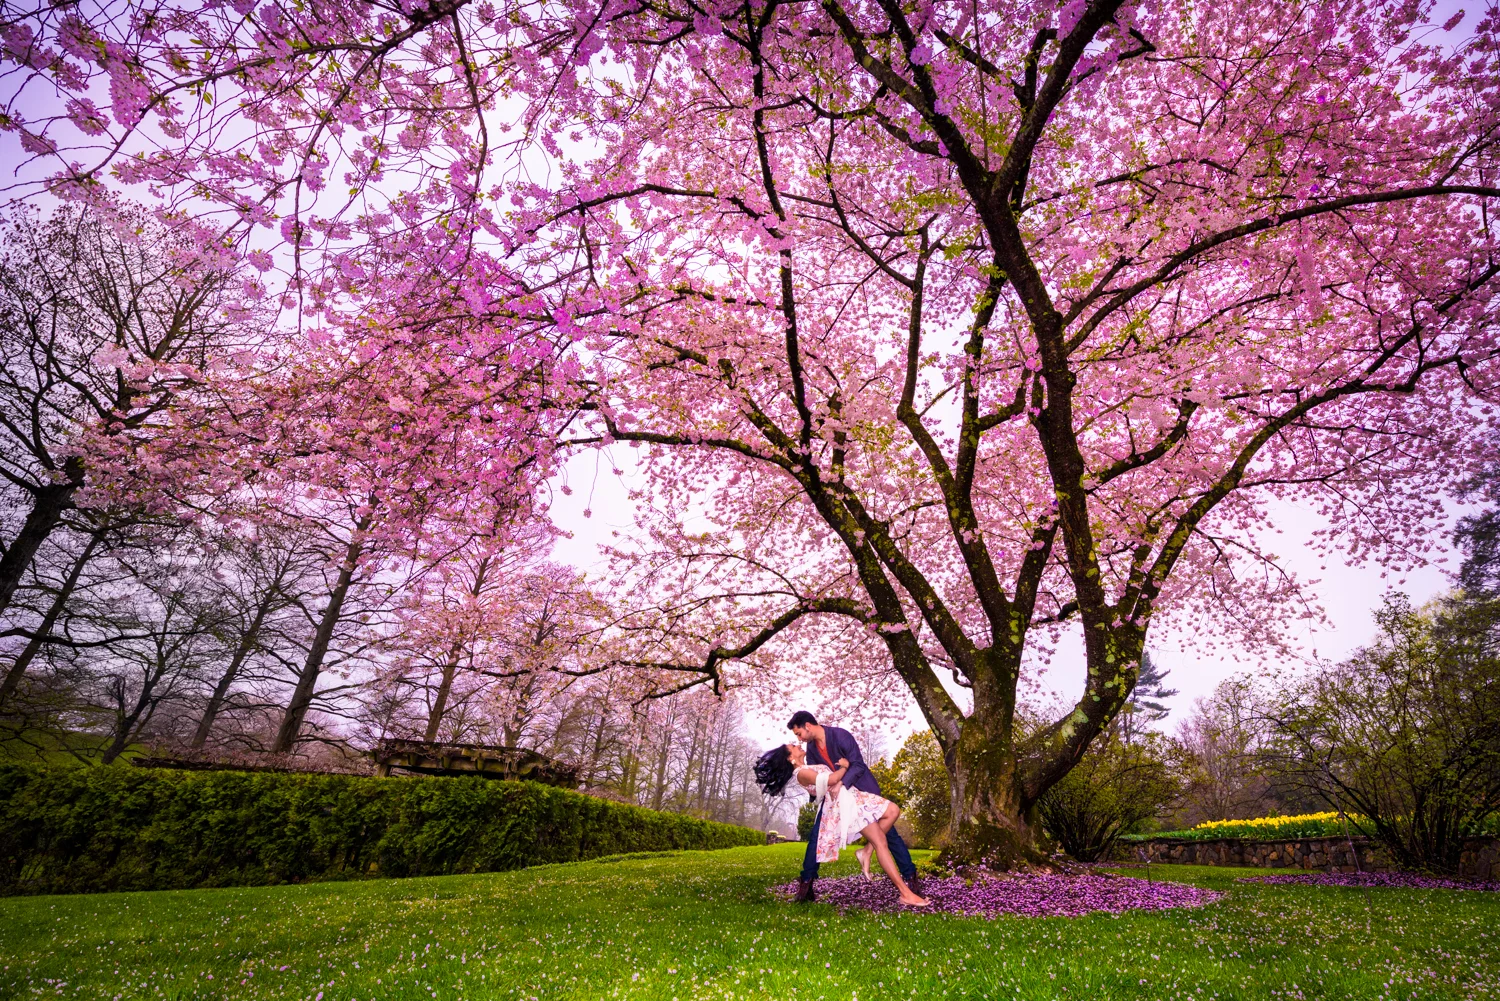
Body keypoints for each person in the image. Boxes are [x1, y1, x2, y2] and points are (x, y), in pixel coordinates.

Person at [754, 742, 930, 907]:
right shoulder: (801, 773)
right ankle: (905, 893)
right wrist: (845, 766)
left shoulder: (807, 767)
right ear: (789, 758)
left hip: (852, 797)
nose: (798, 744)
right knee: (881, 843)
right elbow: (831, 780)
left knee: (892, 811)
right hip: (845, 806)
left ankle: (866, 851)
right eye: (793, 746)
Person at [786, 710, 922, 903]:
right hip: (835, 799)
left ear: (807, 726)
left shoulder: (840, 736)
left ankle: (910, 877)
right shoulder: (812, 751)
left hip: (861, 790)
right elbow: (819, 779)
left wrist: (842, 782)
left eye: (798, 733)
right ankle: (806, 884)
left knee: (888, 834)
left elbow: (858, 765)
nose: (799, 739)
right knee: (817, 837)